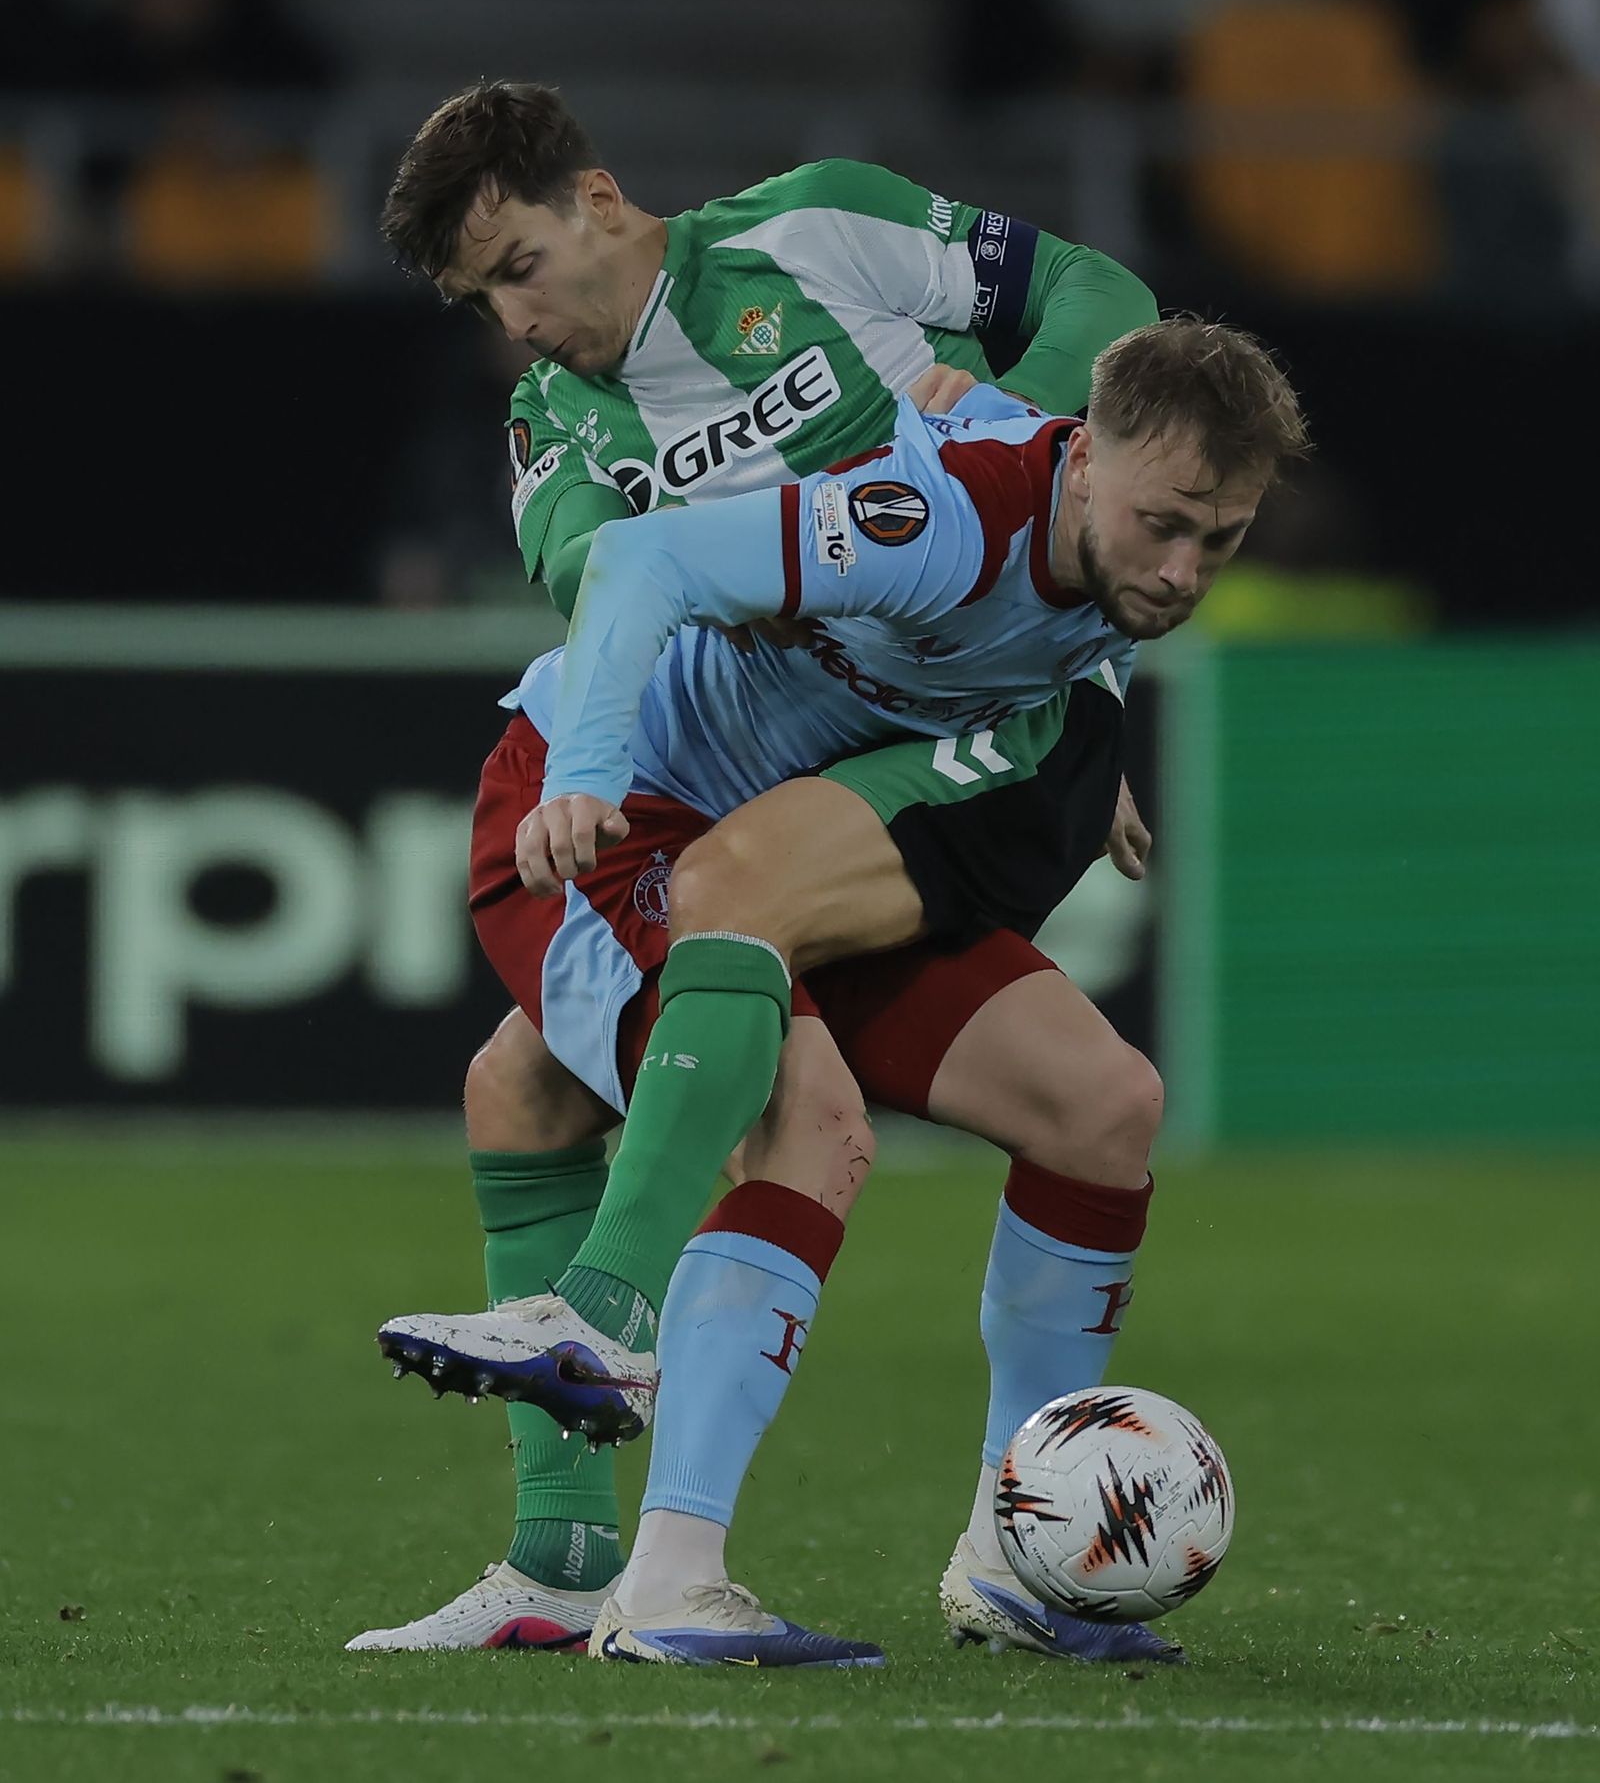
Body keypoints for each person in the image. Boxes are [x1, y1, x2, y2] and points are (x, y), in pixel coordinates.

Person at [347, 80, 1177, 1665]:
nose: (517, 321)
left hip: (819, 818)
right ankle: (651, 1554)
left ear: (596, 197)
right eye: (482, 299)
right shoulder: (553, 425)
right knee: (788, 1108)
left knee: (1102, 1106)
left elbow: (1096, 296)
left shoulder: (815, 231)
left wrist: (1028, 424)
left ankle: (1018, 1549)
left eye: (520, 265)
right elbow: (617, 576)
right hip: (666, 804)